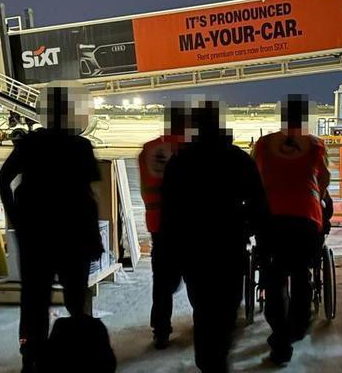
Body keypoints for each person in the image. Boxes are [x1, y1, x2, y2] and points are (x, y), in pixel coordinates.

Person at [0, 86, 104, 373]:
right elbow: (91, 194)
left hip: (36, 236)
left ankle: (32, 356)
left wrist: (16, 218)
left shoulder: (29, 144)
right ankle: (79, 356)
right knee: (76, 301)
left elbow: (2, 180)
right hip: (74, 236)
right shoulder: (80, 147)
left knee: (34, 299)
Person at [161, 100, 268, 373]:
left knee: (203, 309)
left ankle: (208, 362)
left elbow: (170, 214)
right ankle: (218, 359)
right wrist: (256, 234)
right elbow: (259, 205)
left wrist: (170, 257)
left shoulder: (179, 162)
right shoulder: (239, 159)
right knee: (226, 308)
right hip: (229, 248)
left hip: (193, 250)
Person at [252, 94, 331, 365]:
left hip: (271, 221)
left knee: (274, 281)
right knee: (300, 273)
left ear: (284, 118)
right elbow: (323, 181)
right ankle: (298, 326)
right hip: (306, 220)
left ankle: (280, 342)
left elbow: (254, 177)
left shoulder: (263, 144)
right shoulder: (315, 145)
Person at [138, 102, 187, 349]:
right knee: (197, 278)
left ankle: (160, 330)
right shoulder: (188, 149)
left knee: (161, 281)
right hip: (186, 224)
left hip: (156, 223)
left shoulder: (148, 149)